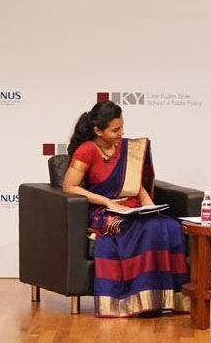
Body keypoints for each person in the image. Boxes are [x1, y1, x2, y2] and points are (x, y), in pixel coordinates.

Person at [62, 101, 189, 317]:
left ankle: (164, 298)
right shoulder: (87, 151)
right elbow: (69, 186)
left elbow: (135, 185)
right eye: (115, 130)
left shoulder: (128, 148)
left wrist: (150, 207)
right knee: (139, 229)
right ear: (97, 131)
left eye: (122, 127)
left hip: (133, 209)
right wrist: (107, 202)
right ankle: (138, 300)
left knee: (167, 225)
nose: (121, 133)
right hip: (105, 212)